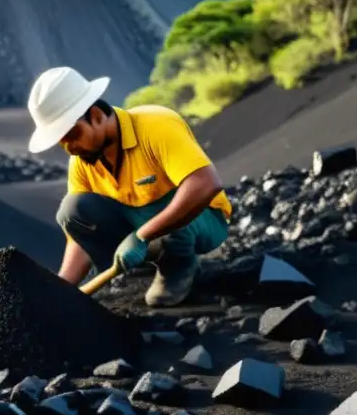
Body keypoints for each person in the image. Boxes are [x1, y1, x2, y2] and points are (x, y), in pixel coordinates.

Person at [26, 66, 232, 306]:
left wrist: (141, 236)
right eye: (61, 142)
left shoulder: (156, 125)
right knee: (72, 211)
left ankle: (180, 265)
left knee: (161, 212)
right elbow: (78, 235)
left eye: (72, 134)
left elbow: (205, 183)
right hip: (146, 225)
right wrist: (63, 286)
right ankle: (155, 258)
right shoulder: (81, 161)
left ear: (96, 115)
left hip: (203, 220)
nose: (70, 147)